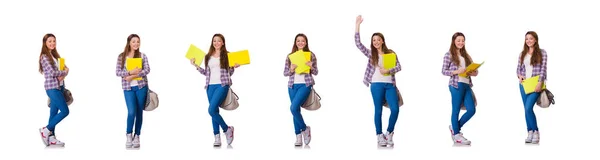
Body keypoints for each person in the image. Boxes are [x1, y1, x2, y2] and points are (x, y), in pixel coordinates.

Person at [354, 15, 402, 146]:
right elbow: (358, 44)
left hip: (390, 85)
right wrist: (357, 25)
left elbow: (399, 66)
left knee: (395, 109)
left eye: (378, 40)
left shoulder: (390, 53)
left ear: (382, 41)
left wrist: (388, 70)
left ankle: (389, 133)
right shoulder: (371, 54)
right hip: (376, 85)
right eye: (373, 40)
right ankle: (379, 135)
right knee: (378, 110)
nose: (376, 42)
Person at [190, 33, 241, 146]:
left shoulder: (227, 55)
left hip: (222, 85)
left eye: (219, 41)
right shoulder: (208, 56)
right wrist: (196, 66)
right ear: (212, 43)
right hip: (210, 86)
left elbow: (230, 73)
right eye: (214, 41)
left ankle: (227, 129)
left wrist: (234, 67)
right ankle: (217, 137)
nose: (216, 43)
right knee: (214, 111)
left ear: (223, 43)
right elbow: (206, 73)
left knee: (211, 110)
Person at [441, 32, 478, 145]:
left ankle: (454, 128)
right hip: (456, 84)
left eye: (462, 40)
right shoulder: (449, 55)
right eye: (458, 40)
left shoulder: (467, 56)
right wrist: (457, 71)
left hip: (467, 85)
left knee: (471, 110)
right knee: (456, 109)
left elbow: (476, 72)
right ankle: (457, 135)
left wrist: (472, 72)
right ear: (454, 41)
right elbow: (443, 71)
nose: (461, 42)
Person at [115, 34, 151, 148]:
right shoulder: (121, 57)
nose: (136, 44)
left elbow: (147, 70)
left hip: (141, 87)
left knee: (139, 112)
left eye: (138, 42)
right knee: (131, 112)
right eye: (134, 41)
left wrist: (134, 75)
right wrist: (130, 73)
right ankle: (129, 134)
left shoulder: (142, 56)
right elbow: (118, 72)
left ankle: (137, 135)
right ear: (129, 43)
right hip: (128, 88)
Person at [283, 33, 318, 146]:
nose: (300, 43)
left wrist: (311, 66)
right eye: (298, 41)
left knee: (293, 108)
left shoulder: (311, 55)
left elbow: (316, 72)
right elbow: (285, 73)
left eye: (303, 41)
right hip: (292, 86)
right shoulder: (290, 56)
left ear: (306, 42)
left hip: (305, 85)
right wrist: (291, 69)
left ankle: (304, 129)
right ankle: (298, 136)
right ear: (295, 42)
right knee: (295, 111)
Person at [38, 33, 69, 147]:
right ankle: (46, 130)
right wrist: (65, 72)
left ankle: (51, 138)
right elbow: (53, 73)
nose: (52, 43)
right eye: (50, 41)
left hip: (60, 87)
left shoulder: (56, 56)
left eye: (54, 41)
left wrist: (64, 72)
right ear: (45, 43)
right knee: (65, 111)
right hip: (52, 88)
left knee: (53, 113)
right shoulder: (44, 57)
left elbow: (63, 69)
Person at [516, 31, 547, 144]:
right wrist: (520, 76)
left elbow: (543, 69)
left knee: (528, 108)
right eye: (527, 39)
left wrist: (540, 82)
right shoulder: (522, 54)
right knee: (526, 109)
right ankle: (529, 131)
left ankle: (536, 131)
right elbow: (518, 69)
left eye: (531, 38)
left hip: (536, 84)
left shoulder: (542, 53)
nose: (528, 40)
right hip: (524, 85)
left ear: (535, 40)